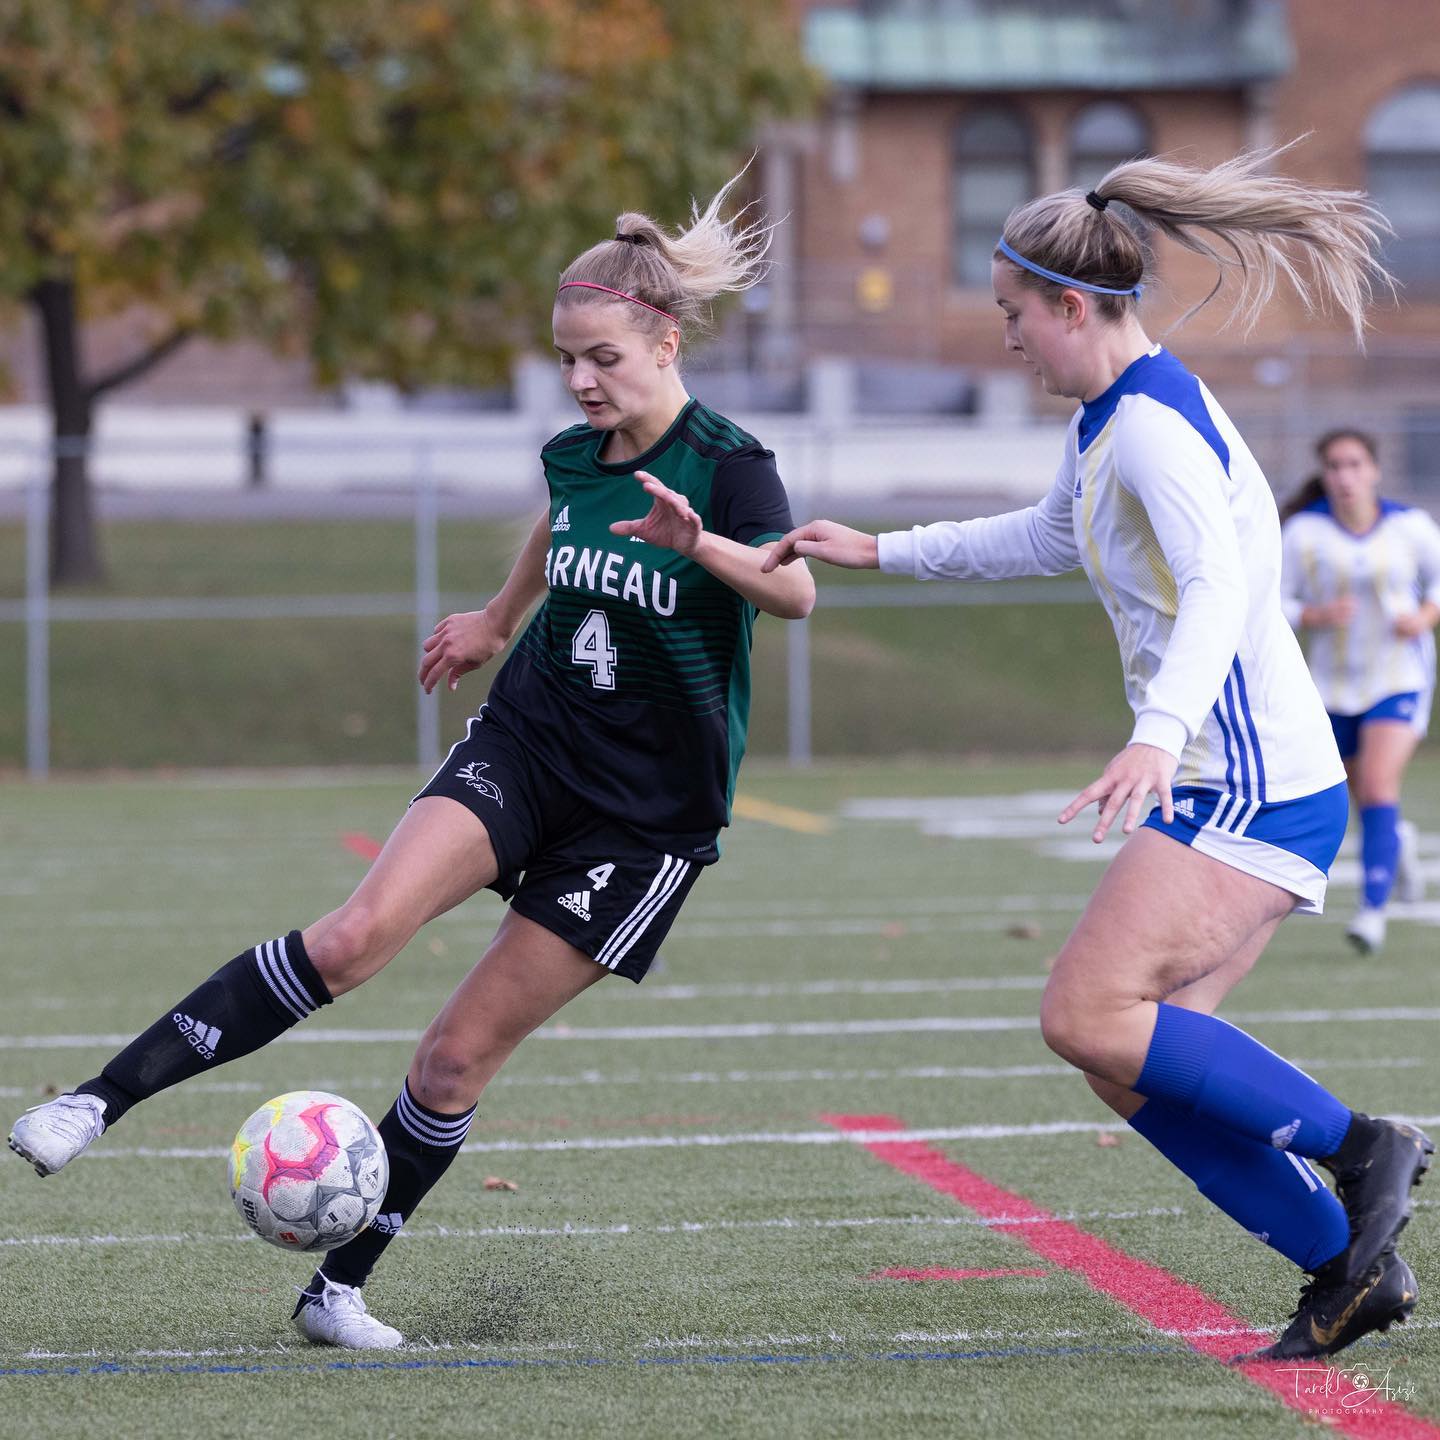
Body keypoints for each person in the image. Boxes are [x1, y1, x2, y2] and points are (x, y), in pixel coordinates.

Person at [8, 174, 815, 1350]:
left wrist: (711, 551)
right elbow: (561, 521)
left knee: (451, 1061)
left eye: (602, 358)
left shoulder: (732, 466)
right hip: (531, 743)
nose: (583, 382)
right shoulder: (578, 454)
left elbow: (793, 591)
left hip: (643, 825)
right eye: (566, 361)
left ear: (665, 337)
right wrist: (496, 620)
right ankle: (94, 1100)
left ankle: (338, 1289)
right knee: (350, 938)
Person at [763, 148, 1432, 1362]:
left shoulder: (1152, 432)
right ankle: (1348, 1267)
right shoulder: (1113, 417)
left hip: (1254, 782)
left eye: (1015, 315)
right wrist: (881, 551)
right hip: (1245, 777)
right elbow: (1047, 534)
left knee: (1085, 1011)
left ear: (1073, 306)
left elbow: (1221, 588)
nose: (1007, 338)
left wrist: (1155, 735)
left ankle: (1361, 1146)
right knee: (1129, 1063)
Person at [1279, 430, 1440, 954]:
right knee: (1360, 798)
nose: (1344, 476)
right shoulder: (1304, 532)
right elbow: (1271, 602)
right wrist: (1313, 615)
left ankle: (1373, 912)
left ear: (1374, 469)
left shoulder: (1409, 526)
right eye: (1334, 466)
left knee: (1376, 785)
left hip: (1398, 679)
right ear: (1324, 474)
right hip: (1331, 683)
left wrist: (1424, 617)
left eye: (1354, 464)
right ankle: (1399, 845)